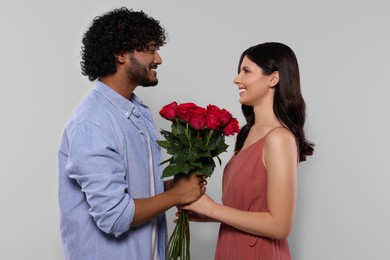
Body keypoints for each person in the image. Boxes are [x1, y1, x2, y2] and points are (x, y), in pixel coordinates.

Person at [58, 7, 205, 260]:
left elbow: (134, 190)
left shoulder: (134, 112)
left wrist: (177, 184)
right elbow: (115, 216)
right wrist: (177, 194)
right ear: (120, 54)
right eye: (150, 49)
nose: (158, 59)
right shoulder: (93, 123)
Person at [182, 42, 314, 259]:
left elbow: (280, 226)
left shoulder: (279, 139)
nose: (237, 79)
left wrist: (212, 209)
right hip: (231, 247)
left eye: (246, 71)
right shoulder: (248, 133)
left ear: (273, 78)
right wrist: (207, 213)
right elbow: (252, 210)